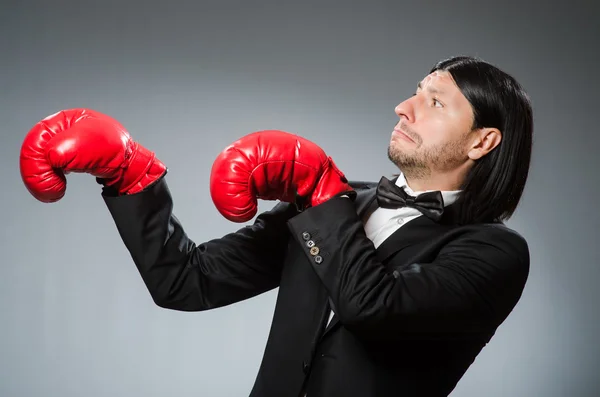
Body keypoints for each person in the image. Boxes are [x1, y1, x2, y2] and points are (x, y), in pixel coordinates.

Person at [19, 55, 533, 397]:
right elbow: (186, 282)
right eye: (415, 92)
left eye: (435, 101)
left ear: (482, 142)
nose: (405, 107)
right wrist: (132, 178)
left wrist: (323, 195)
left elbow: (374, 308)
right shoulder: (335, 203)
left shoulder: (495, 253)